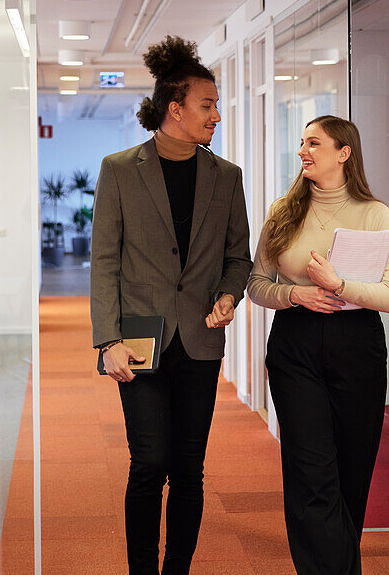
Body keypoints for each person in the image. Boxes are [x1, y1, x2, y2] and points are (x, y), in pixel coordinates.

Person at [91, 35, 253, 574]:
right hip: (138, 337)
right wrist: (106, 340)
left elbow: (238, 257)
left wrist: (230, 295)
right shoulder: (119, 169)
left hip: (201, 340)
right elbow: (105, 261)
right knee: (148, 462)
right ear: (175, 110)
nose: (216, 116)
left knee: (188, 466)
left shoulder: (226, 177)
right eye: (207, 106)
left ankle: (176, 569)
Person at [247, 115, 389, 575]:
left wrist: (340, 284)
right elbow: (256, 284)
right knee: (310, 471)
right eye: (300, 143)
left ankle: (336, 563)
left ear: (344, 153)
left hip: (359, 346)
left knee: (352, 474)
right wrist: (295, 293)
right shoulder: (283, 211)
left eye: (313, 143)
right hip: (295, 345)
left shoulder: (374, 212)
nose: (303, 151)